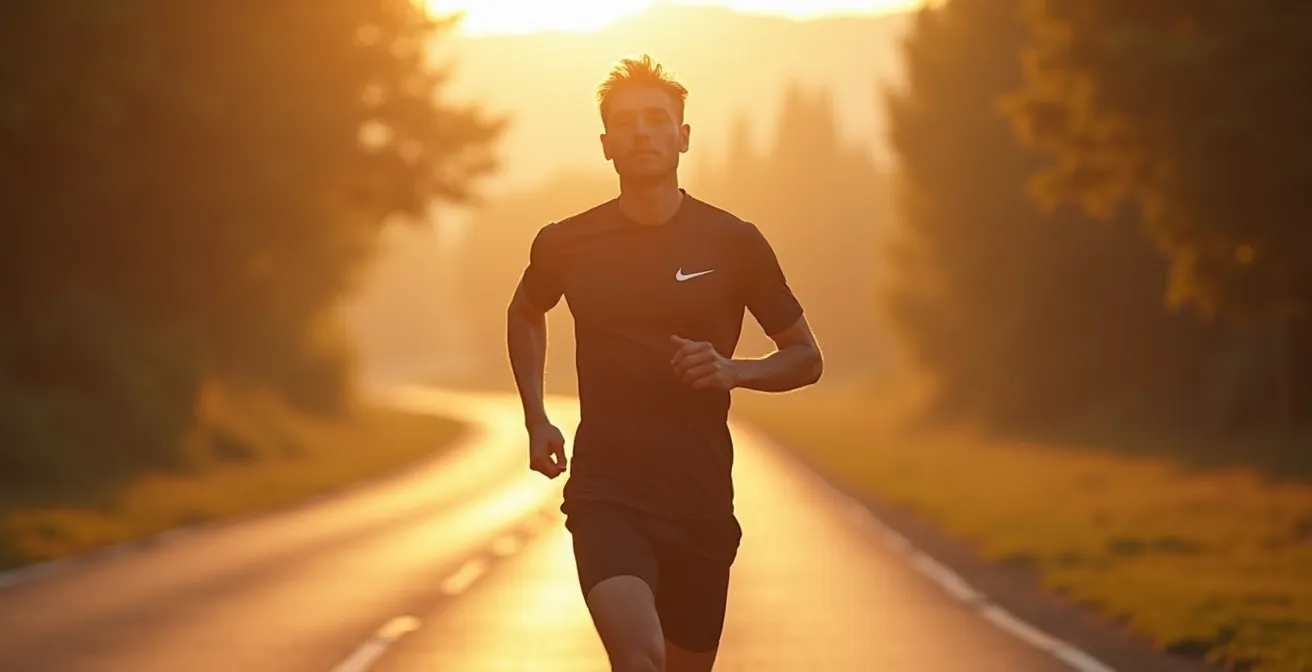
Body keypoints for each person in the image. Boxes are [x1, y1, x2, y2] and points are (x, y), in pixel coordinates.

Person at [505, 54, 823, 672]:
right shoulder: (566, 243)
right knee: (639, 657)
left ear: (683, 136)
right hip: (607, 492)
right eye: (626, 123)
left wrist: (734, 370)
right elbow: (525, 311)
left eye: (657, 120)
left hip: (700, 499)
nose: (642, 133)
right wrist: (535, 417)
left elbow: (805, 357)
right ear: (606, 145)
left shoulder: (734, 242)